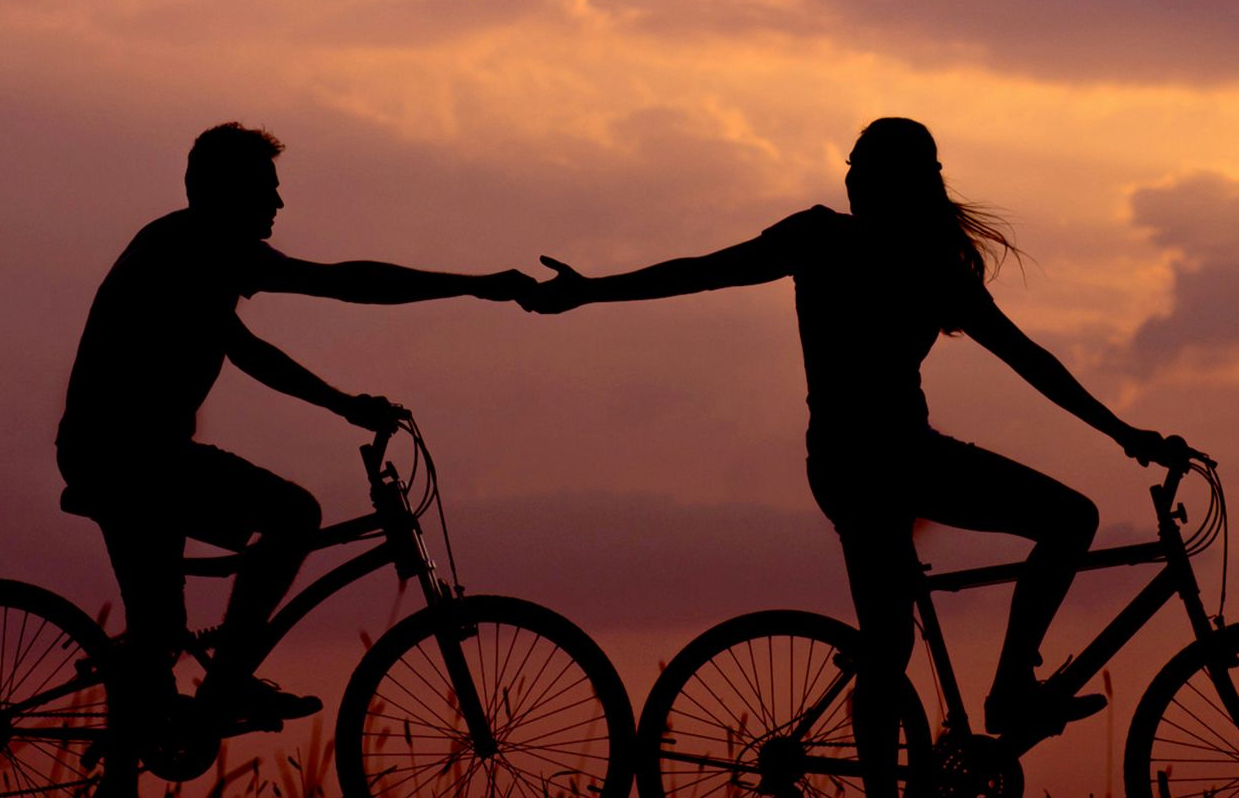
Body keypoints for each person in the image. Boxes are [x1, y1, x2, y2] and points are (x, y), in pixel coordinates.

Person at [520, 117, 1170, 782]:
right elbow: (704, 273)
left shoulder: (886, 255)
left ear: (898, 182)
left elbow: (1028, 359)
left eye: (865, 166)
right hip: (893, 462)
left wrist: (1124, 433)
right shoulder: (871, 251)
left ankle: (970, 721)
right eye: (852, 165)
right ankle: (1010, 689)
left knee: (890, 645)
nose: (852, 178)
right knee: (1065, 523)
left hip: (854, 464)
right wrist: (1126, 436)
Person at [57, 122, 533, 730]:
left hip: (136, 456)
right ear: (225, 192)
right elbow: (342, 284)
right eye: (265, 187)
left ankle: (172, 708)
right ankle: (224, 684)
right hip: (127, 459)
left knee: (161, 638)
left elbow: (247, 350)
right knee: (292, 516)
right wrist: (476, 287)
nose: (278, 202)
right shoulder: (198, 248)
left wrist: (343, 403)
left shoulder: (189, 251)